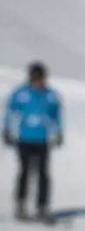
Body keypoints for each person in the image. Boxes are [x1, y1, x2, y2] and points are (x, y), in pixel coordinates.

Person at [5, 61, 61, 221]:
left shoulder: (50, 95)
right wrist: (7, 129)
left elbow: (56, 116)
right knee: (25, 172)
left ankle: (42, 206)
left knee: (43, 173)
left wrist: (58, 133)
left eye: (40, 78)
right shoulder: (21, 94)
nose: (38, 82)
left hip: (42, 140)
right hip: (25, 139)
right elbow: (10, 111)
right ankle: (21, 204)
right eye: (35, 78)